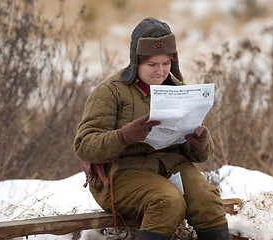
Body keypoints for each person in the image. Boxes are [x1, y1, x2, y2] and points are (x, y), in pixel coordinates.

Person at [74, 17, 229, 240]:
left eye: (166, 63)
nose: (160, 71)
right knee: (168, 201)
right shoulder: (111, 91)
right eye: (152, 65)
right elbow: (84, 145)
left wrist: (200, 143)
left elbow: (200, 152)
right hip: (120, 174)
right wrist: (123, 137)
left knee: (207, 200)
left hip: (170, 167)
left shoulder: (179, 90)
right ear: (136, 62)